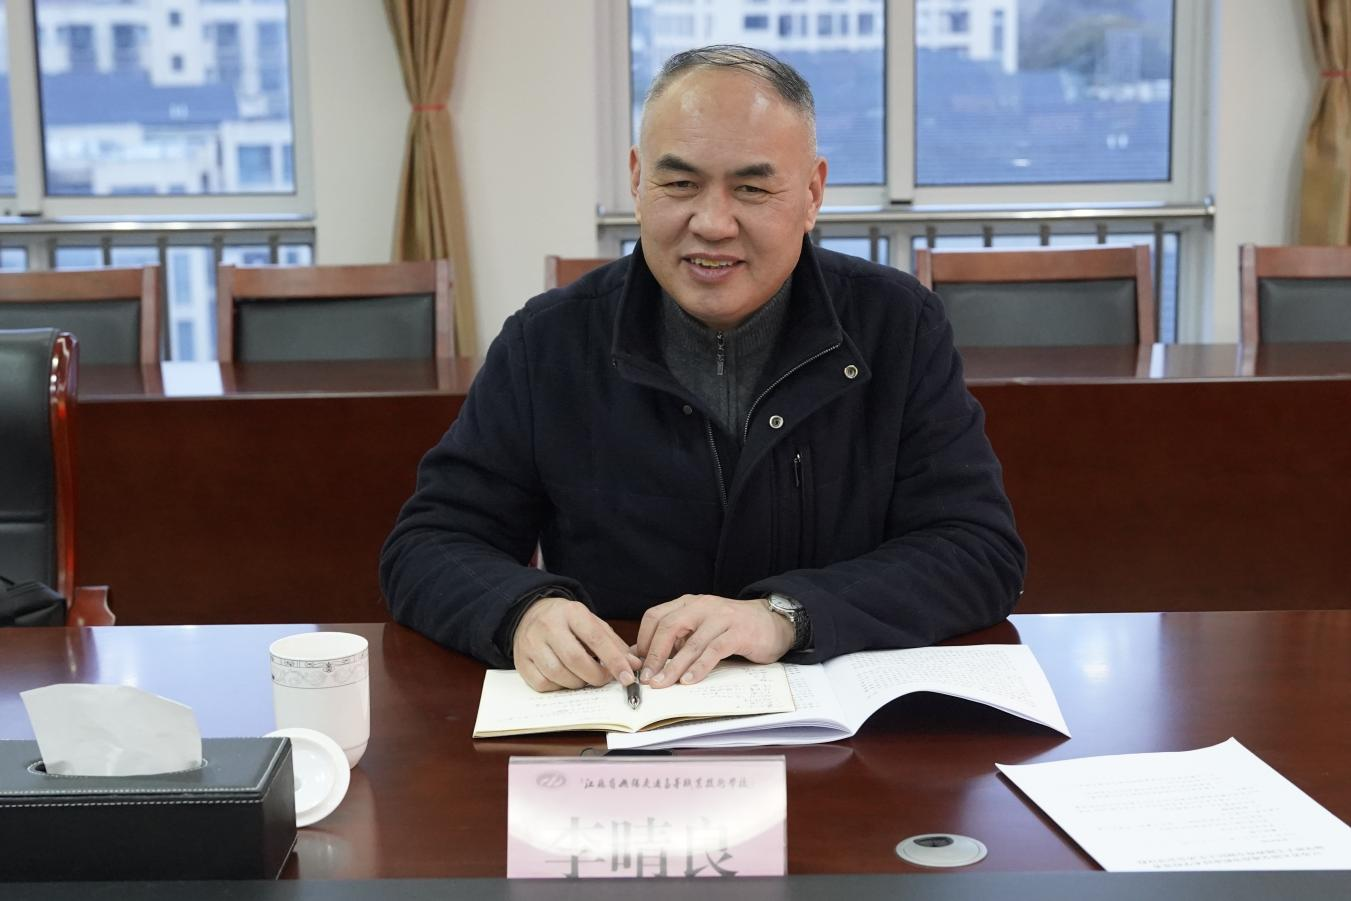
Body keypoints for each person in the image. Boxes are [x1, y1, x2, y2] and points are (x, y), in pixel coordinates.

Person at [380, 45, 1025, 694]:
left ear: (811, 194)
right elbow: (428, 544)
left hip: (833, 726)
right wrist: (521, 610)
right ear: (637, 181)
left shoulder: (896, 326)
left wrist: (786, 615)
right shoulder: (547, 340)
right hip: (622, 714)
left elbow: (977, 550)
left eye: (752, 188)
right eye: (680, 184)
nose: (712, 223)